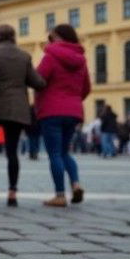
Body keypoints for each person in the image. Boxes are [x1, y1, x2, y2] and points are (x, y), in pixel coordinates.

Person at [0, 24, 46, 206]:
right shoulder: (24, 56)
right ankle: (12, 192)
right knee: (12, 152)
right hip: (17, 108)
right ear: (14, 36)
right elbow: (37, 82)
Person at [35, 24, 91, 207]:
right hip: (73, 112)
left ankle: (60, 195)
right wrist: (73, 100)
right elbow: (86, 88)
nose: (49, 42)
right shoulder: (81, 59)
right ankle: (75, 184)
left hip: (51, 111)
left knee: (54, 154)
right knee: (65, 152)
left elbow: (39, 80)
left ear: (58, 37)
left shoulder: (50, 57)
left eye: (51, 38)